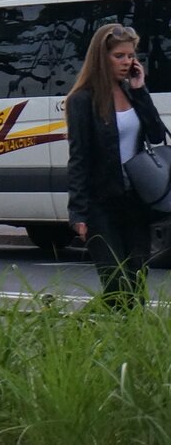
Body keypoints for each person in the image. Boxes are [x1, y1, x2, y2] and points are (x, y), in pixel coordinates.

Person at [66, 23, 167, 307]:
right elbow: (79, 158)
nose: (127, 62)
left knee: (135, 283)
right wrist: (78, 212)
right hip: (101, 203)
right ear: (102, 57)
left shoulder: (133, 93)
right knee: (116, 284)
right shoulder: (82, 101)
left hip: (135, 202)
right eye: (119, 56)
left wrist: (141, 90)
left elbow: (157, 135)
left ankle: (125, 342)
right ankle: (80, 334)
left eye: (130, 56)